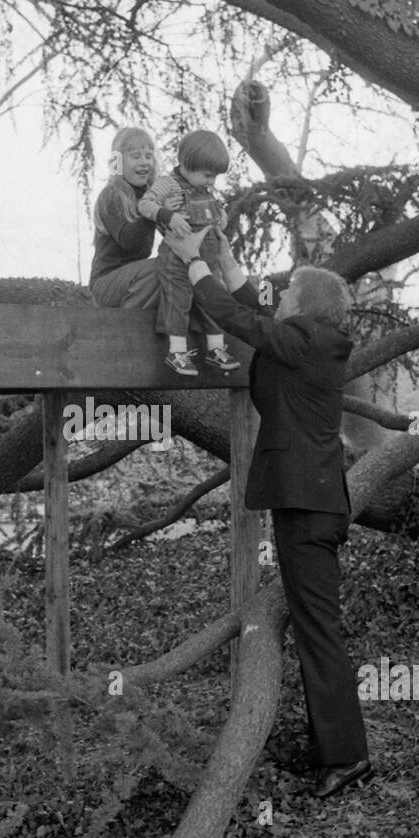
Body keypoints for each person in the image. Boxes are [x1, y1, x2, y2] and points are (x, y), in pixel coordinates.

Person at [162, 227, 373, 800]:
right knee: (315, 627)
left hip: (308, 507)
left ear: (305, 309)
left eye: (287, 294)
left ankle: (348, 755)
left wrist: (192, 263)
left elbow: (238, 318)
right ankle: (334, 745)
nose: (278, 298)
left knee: (319, 631)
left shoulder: (302, 342)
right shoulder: (312, 341)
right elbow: (257, 312)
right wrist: (226, 258)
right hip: (312, 502)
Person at [88, 125, 227, 356]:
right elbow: (129, 241)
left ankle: (192, 326)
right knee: (165, 265)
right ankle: (130, 326)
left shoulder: (152, 195)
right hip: (108, 282)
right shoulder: (112, 195)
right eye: (135, 156)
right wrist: (155, 213)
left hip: (137, 279)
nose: (144, 162)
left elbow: (176, 235)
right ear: (118, 162)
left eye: (148, 156)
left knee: (184, 264)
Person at [138, 129, 240, 377]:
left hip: (206, 257)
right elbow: (145, 203)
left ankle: (216, 349)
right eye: (208, 175)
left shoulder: (204, 189)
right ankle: (177, 352)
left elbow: (209, 215)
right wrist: (167, 215)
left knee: (213, 300)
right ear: (186, 164)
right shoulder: (168, 184)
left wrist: (221, 216)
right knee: (178, 301)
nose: (211, 182)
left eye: (214, 177)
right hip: (177, 257)